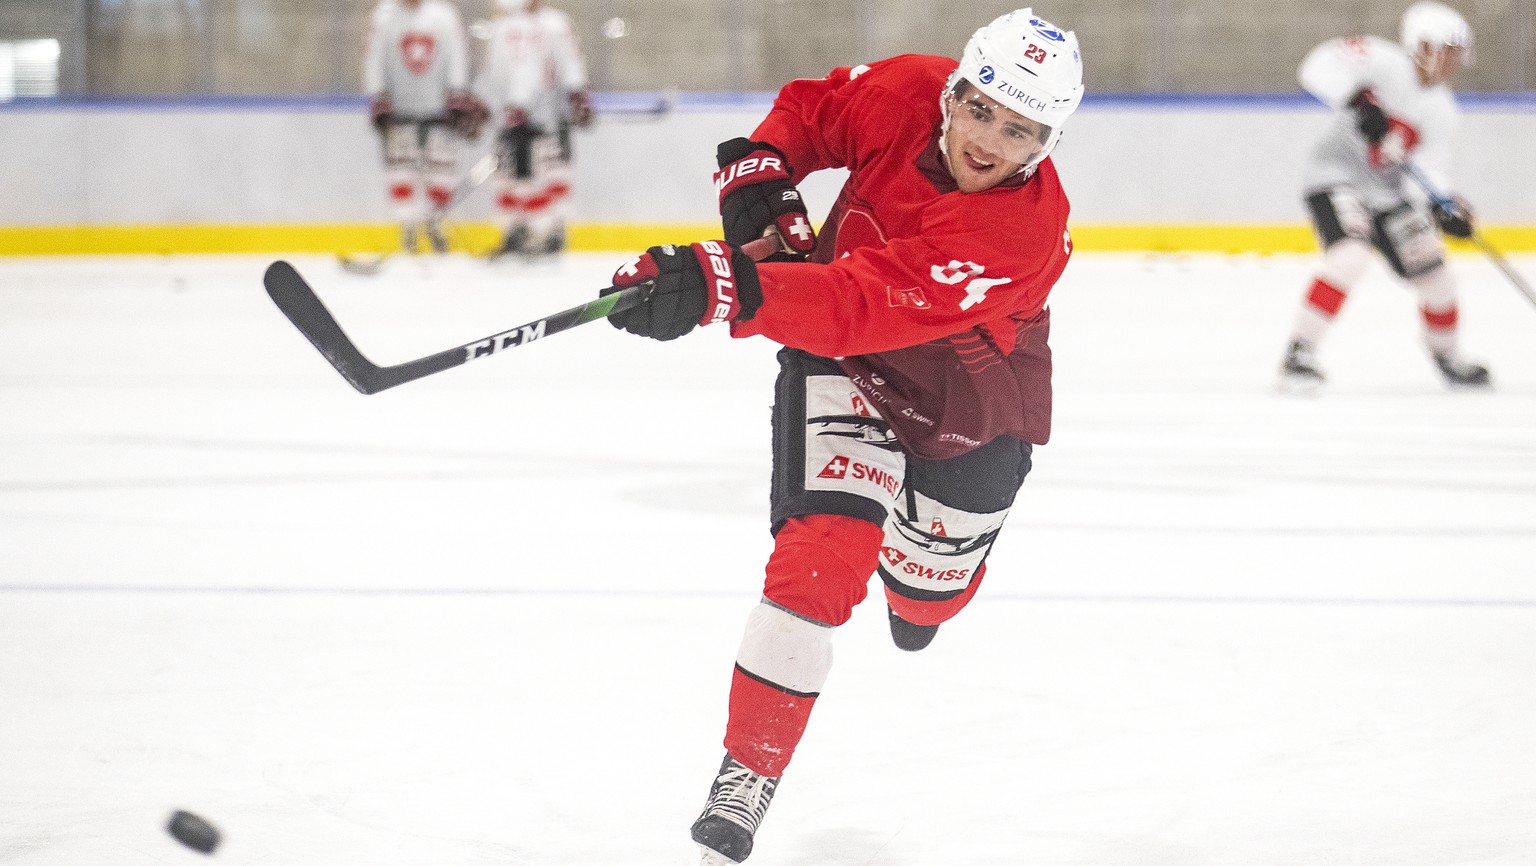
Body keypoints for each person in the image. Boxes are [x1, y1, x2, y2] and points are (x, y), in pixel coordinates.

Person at [599, 9, 1083, 864]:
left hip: (966, 402)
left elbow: (863, 301)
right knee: (814, 568)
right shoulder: (903, 90)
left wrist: (725, 286)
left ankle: (922, 582)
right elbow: (814, 110)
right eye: (979, 108)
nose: (987, 139)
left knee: (923, 598)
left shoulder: (1020, 229)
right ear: (955, 90)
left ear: (1045, 140)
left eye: (1019, 129)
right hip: (843, 366)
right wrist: (762, 172)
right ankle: (746, 776)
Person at [1280, 0, 1488, 391]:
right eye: (1447, 51)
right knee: (1350, 257)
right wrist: (1358, 98)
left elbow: (1426, 173)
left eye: (1456, 56)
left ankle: (1448, 357)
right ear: (1422, 44)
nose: (1451, 63)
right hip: (1336, 176)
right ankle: (1299, 354)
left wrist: (1444, 205)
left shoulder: (1441, 109)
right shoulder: (1381, 60)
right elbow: (1315, 68)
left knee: (1436, 276)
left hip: (1389, 195)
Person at [364, 0, 487, 254]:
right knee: (401, 173)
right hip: (399, 110)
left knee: (440, 173)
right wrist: (379, 95)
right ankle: (408, 229)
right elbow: (374, 57)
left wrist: (457, 92)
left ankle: (435, 223)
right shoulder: (385, 16)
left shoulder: (443, 15)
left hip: (438, 110)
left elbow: (457, 55)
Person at [479, 0, 594, 259]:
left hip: (546, 115)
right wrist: (491, 104)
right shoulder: (503, 27)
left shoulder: (553, 23)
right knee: (511, 176)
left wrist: (575, 94)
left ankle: (549, 232)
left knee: (547, 174)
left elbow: (567, 63)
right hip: (511, 115)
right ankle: (517, 231)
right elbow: (495, 72)